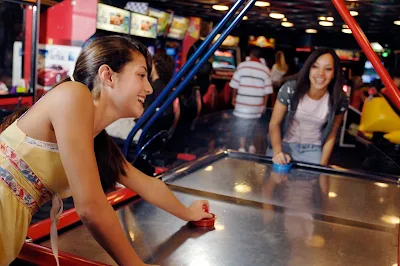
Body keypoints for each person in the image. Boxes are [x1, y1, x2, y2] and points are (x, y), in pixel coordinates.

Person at [0, 35, 212, 266]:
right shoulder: (73, 95)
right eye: (141, 75)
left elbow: (147, 184)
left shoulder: (95, 137)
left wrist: (189, 213)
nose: (149, 89)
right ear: (108, 75)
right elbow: (91, 207)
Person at [268, 47, 348, 165]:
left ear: (334, 73)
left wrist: (322, 166)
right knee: (275, 180)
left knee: (313, 183)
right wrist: (277, 152)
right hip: (282, 145)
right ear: (308, 68)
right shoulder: (291, 88)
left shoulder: (339, 98)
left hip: (313, 150)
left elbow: (332, 134)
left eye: (328, 69)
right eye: (315, 66)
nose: (320, 73)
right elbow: (274, 123)